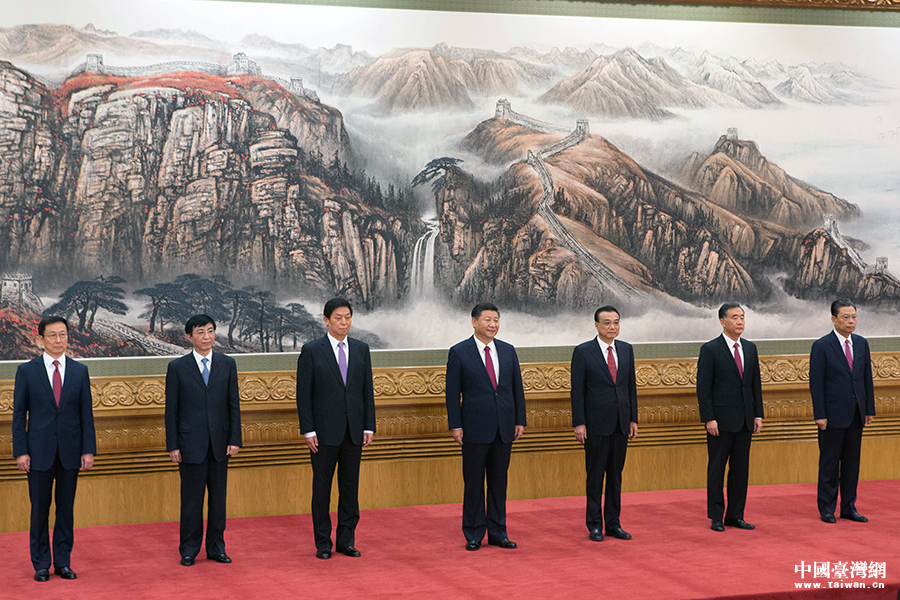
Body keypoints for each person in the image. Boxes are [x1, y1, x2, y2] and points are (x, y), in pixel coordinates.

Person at [12, 316, 96, 582]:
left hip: (71, 451)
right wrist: (21, 451)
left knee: (66, 509)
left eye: (63, 335)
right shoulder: (27, 371)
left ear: (68, 337)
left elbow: (86, 414)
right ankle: (40, 563)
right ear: (41, 339)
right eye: (52, 335)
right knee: (39, 509)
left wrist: (88, 450)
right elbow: (19, 415)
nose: (58, 340)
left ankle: (62, 562)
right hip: (38, 451)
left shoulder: (79, 371)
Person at [296, 297, 376, 559]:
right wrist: (308, 430)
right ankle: (323, 543)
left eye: (348, 317)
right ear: (326, 320)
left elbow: (367, 391)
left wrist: (369, 426)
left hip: (354, 431)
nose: (344, 322)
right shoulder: (312, 350)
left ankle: (346, 541)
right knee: (322, 489)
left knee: (350, 489)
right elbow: (303, 395)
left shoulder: (361, 349)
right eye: (338, 318)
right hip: (322, 433)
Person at [445, 303, 526, 551]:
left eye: (496, 320)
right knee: (473, 483)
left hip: (504, 427)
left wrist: (520, 420)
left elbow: (516, 388)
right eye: (487, 320)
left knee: (499, 483)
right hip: (474, 427)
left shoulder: (508, 350)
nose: (493, 324)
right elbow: (452, 393)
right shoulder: (460, 352)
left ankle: (498, 532)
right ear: (474, 321)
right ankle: (473, 533)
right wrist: (455, 425)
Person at [165, 314, 242, 566]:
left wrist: (235, 439)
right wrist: (173, 445)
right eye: (200, 332)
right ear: (189, 337)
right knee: (191, 502)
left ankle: (216, 548)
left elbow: (233, 405)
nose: (207, 336)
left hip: (220, 444)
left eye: (210, 331)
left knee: (218, 501)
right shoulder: (178, 367)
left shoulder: (227, 364)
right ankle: (189, 549)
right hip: (190, 445)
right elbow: (171, 411)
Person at [570, 306, 638, 542]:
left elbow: (630, 387)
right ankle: (594, 525)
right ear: (596, 325)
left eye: (616, 322)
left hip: (621, 423)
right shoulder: (583, 352)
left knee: (615, 477)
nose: (612, 327)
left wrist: (633, 418)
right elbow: (577, 391)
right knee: (595, 476)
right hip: (595, 424)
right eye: (607, 322)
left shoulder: (626, 350)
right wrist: (579, 422)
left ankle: (613, 523)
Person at [696, 303, 763, 532]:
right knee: (717, 469)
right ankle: (716, 516)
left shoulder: (750, 348)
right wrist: (709, 418)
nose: (740, 321)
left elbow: (755, 385)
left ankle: (735, 515)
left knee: (740, 470)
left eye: (742, 317)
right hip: (720, 421)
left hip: (745, 420)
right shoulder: (710, 349)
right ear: (722, 321)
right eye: (735, 317)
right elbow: (703, 388)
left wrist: (757, 414)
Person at [809, 299, 875, 524]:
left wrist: (869, 409)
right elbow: (816, 383)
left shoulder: (861, 343)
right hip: (831, 415)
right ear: (834, 319)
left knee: (851, 464)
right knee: (829, 463)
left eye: (854, 317)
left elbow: (866, 378)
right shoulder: (822, 346)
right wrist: (820, 414)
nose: (851, 321)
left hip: (856, 413)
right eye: (846, 317)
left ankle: (849, 507)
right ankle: (827, 508)